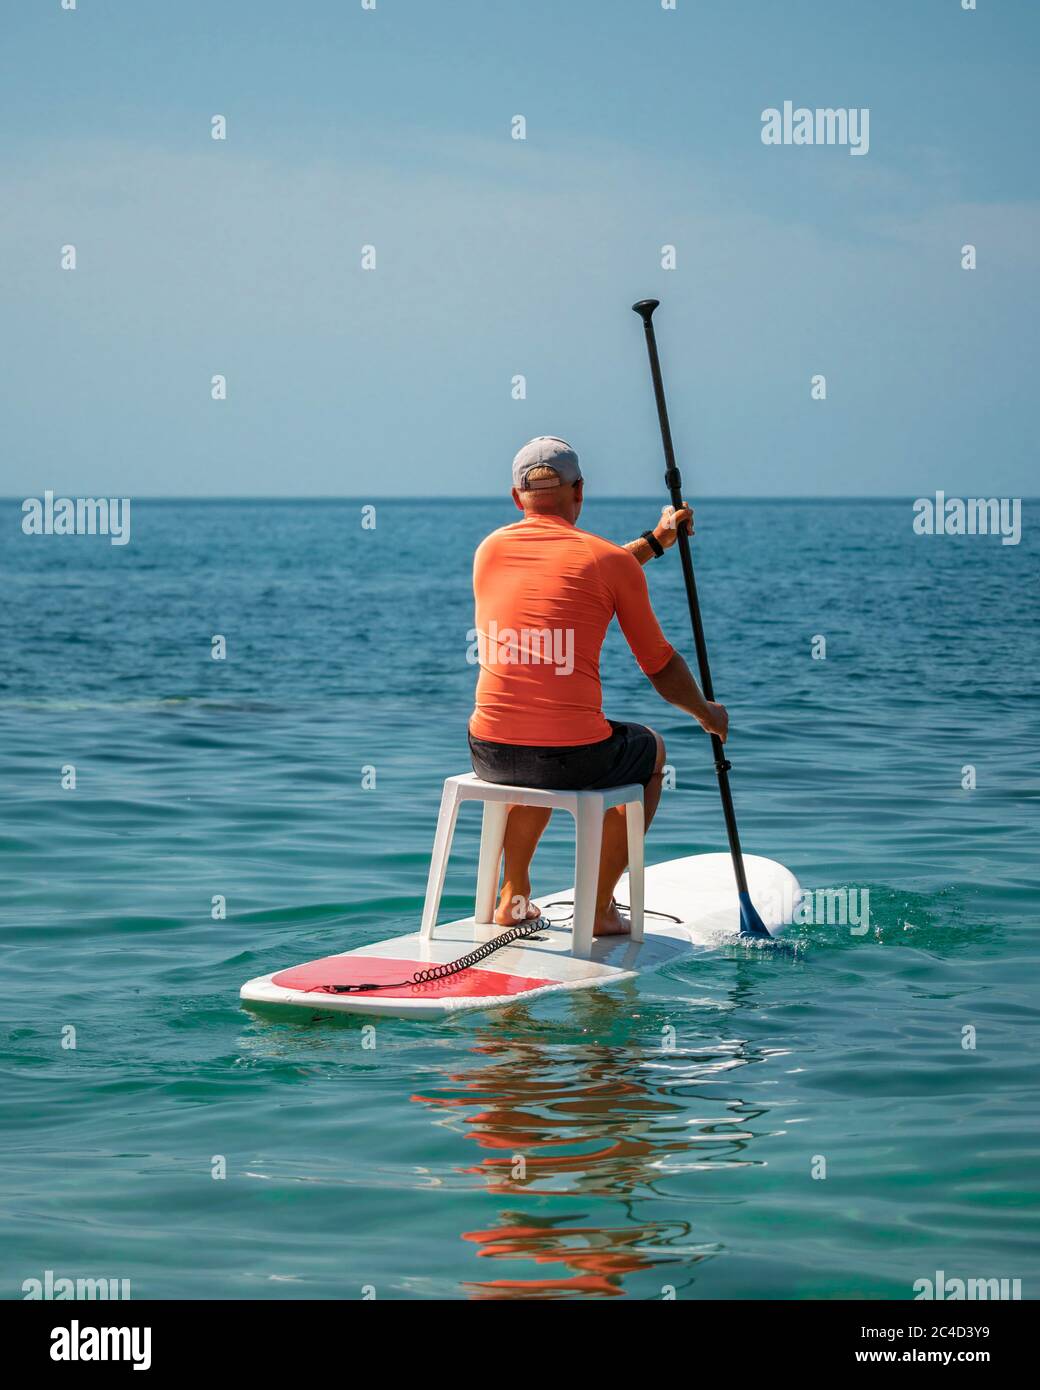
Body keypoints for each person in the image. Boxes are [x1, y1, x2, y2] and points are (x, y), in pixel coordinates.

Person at [468, 436, 729, 936]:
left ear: (515, 498)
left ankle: (512, 897)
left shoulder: (490, 551)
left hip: (490, 751)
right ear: (580, 490)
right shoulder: (606, 561)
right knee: (650, 751)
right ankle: (600, 904)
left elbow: (577, 571)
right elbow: (659, 665)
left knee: (531, 750)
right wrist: (704, 712)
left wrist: (654, 542)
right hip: (574, 756)